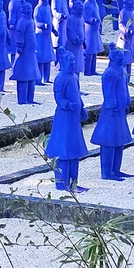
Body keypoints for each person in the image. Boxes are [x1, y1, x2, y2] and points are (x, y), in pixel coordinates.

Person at [44, 51, 88, 191]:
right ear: (63, 63)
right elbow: (59, 97)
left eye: (74, 61)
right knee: (63, 149)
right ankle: (62, 184)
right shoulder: (61, 78)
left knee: (74, 151)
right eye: (70, 61)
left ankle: (73, 182)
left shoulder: (74, 77)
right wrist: (68, 104)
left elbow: (77, 94)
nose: (73, 64)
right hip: (64, 118)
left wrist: (81, 108)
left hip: (74, 119)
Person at [91, 45, 133, 180]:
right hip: (112, 112)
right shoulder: (109, 73)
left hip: (120, 111)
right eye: (119, 56)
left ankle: (116, 169)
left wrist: (127, 101)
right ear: (113, 58)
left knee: (119, 140)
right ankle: (107, 173)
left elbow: (125, 87)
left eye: (122, 56)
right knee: (109, 140)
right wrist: (111, 105)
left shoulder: (121, 70)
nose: (122, 58)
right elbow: (108, 91)